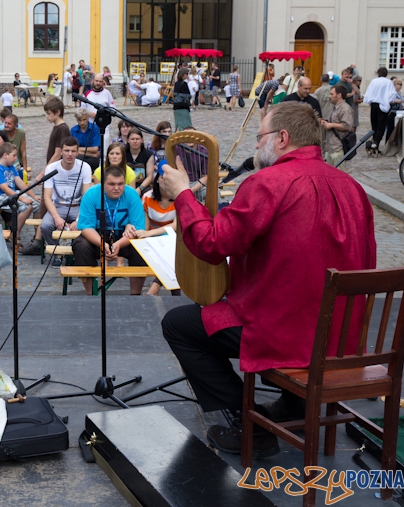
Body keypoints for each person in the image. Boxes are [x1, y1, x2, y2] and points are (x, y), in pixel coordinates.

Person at [157, 102, 376, 457]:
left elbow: (212, 245)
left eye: (260, 138)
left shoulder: (268, 183)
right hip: (340, 339)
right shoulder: (353, 188)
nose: (256, 147)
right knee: (294, 304)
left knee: (179, 324)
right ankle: (292, 406)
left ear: (282, 138)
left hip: (284, 336)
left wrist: (183, 193)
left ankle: (249, 425)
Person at [72, 166, 147, 295]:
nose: (116, 188)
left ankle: (135, 294)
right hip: (97, 236)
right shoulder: (91, 194)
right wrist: (102, 244)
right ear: (103, 184)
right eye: (111, 184)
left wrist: (118, 244)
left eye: (120, 184)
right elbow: (85, 227)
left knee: (141, 245)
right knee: (80, 245)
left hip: (123, 237)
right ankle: (92, 293)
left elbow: (138, 228)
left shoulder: (132, 195)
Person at [41, 137, 92, 266]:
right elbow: (47, 197)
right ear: (61, 151)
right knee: (46, 226)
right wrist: (56, 217)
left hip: (78, 206)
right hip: (58, 205)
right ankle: (57, 253)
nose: (70, 154)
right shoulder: (52, 168)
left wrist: (79, 219)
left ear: (77, 152)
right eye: (67, 150)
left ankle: (77, 252)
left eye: (73, 151)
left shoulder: (84, 167)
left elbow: (86, 197)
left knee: (87, 226)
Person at [0, 142, 41, 241]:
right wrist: (22, 198)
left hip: (12, 194)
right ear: (5, 155)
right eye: (14, 155)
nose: (16, 158)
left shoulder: (11, 167)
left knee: (37, 205)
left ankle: (36, 238)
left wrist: (34, 196)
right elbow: (4, 189)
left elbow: (20, 183)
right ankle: (15, 234)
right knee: (26, 207)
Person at [138, 171, 177, 296]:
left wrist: (152, 233)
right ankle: (175, 294)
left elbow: (175, 226)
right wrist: (146, 234)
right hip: (151, 236)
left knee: (173, 251)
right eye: (162, 177)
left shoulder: (180, 198)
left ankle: (155, 288)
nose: (165, 180)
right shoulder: (147, 197)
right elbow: (145, 223)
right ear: (157, 180)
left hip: (172, 236)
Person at [363, 67, 397, 152]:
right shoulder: (388, 82)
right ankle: (376, 143)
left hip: (374, 104)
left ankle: (375, 141)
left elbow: (369, 92)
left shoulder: (374, 81)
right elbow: (392, 94)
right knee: (381, 125)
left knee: (374, 124)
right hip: (383, 105)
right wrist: (390, 102)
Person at [321, 85, 354, 168]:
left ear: (339, 95)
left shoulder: (345, 108)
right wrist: (326, 123)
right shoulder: (335, 107)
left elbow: (347, 125)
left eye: (331, 94)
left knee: (339, 175)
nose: (329, 96)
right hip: (330, 147)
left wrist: (331, 125)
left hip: (338, 147)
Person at [84, 73, 115, 141]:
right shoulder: (86, 94)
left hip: (104, 126)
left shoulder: (107, 93)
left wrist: (103, 114)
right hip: (90, 125)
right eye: (96, 81)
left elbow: (113, 108)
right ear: (93, 81)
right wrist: (88, 113)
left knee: (104, 148)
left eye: (100, 81)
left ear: (103, 82)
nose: (98, 83)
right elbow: (81, 109)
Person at [124, 128, 155, 194]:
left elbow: (149, 177)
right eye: (132, 139)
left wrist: (140, 189)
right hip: (126, 184)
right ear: (128, 140)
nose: (135, 141)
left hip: (143, 185)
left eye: (137, 139)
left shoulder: (148, 155)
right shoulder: (123, 153)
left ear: (142, 140)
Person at [44, 97, 71, 163]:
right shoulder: (57, 126)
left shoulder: (62, 129)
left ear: (58, 112)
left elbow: (58, 154)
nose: (46, 116)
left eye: (49, 113)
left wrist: (46, 170)